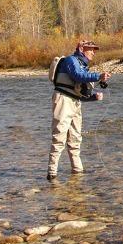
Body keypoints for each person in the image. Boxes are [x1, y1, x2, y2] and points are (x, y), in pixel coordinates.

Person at [47, 40, 111, 180]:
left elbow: (80, 95)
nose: (94, 52)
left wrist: (94, 97)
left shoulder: (84, 68)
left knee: (75, 139)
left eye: (95, 50)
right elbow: (77, 75)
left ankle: (77, 172)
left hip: (75, 103)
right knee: (59, 137)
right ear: (81, 49)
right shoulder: (71, 60)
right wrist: (98, 76)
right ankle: (52, 173)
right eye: (91, 49)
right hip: (63, 101)